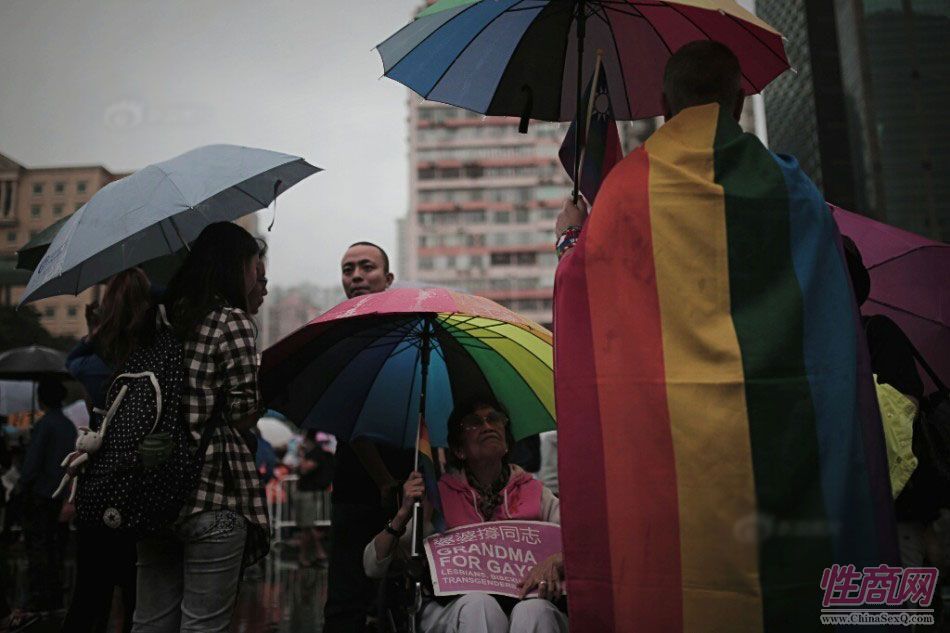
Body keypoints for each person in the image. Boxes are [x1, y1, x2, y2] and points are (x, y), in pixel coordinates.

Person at [553, 41, 898, 631]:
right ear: (739, 100)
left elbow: (585, 307)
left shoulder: (623, 193)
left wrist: (570, 239)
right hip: (779, 448)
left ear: (664, 105)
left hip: (668, 461)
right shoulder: (792, 189)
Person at [131, 222, 269, 633]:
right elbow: (243, 412)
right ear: (234, 266)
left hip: (153, 488)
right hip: (212, 493)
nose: (255, 276)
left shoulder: (160, 320)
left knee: (150, 623)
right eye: (252, 267)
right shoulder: (232, 322)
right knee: (203, 627)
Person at [364, 397, 567, 633]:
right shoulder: (437, 497)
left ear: (507, 443)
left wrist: (555, 561)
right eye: (474, 422)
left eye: (494, 419)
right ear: (459, 450)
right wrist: (403, 513)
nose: (487, 426)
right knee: (479, 605)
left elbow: (582, 546)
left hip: (526, 601)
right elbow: (372, 566)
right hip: (456, 608)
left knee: (535, 611)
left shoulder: (536, 492)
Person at [323, 241, 414, 633]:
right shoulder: (334, 337)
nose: (356, 276)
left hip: (408, 487)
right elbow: (349, 419)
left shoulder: (406, 335)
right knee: (347, 600)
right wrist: (383, 481)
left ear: (388, 278)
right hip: (358, 488)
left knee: (401, 595)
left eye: (366, 267)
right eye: (348, 270)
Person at [62, 268, 154, 633]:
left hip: (98, 487)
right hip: (140, 485)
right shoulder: (155, 360)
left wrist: (95, 331)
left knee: (90, 596)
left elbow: (73, 360)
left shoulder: (94, 367)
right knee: (138, 596)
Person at [16, 378, 76, 620]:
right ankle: (54, 597)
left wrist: (21, 486)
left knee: (38, 550)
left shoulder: (45, 425)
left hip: (40, 496)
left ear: (42, 399)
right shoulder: (68, 426)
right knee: (56, 550)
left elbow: (31, 466)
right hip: (59, 498)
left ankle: (38, 598)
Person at [294, 431, 334, 566]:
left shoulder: (315, 454)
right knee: (308, 526)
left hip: (308, 494)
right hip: (309, 493)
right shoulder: (317, 453)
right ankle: (318, 552)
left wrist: (301, 459)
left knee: (307, 525)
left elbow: (305, 469)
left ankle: (307, 556)